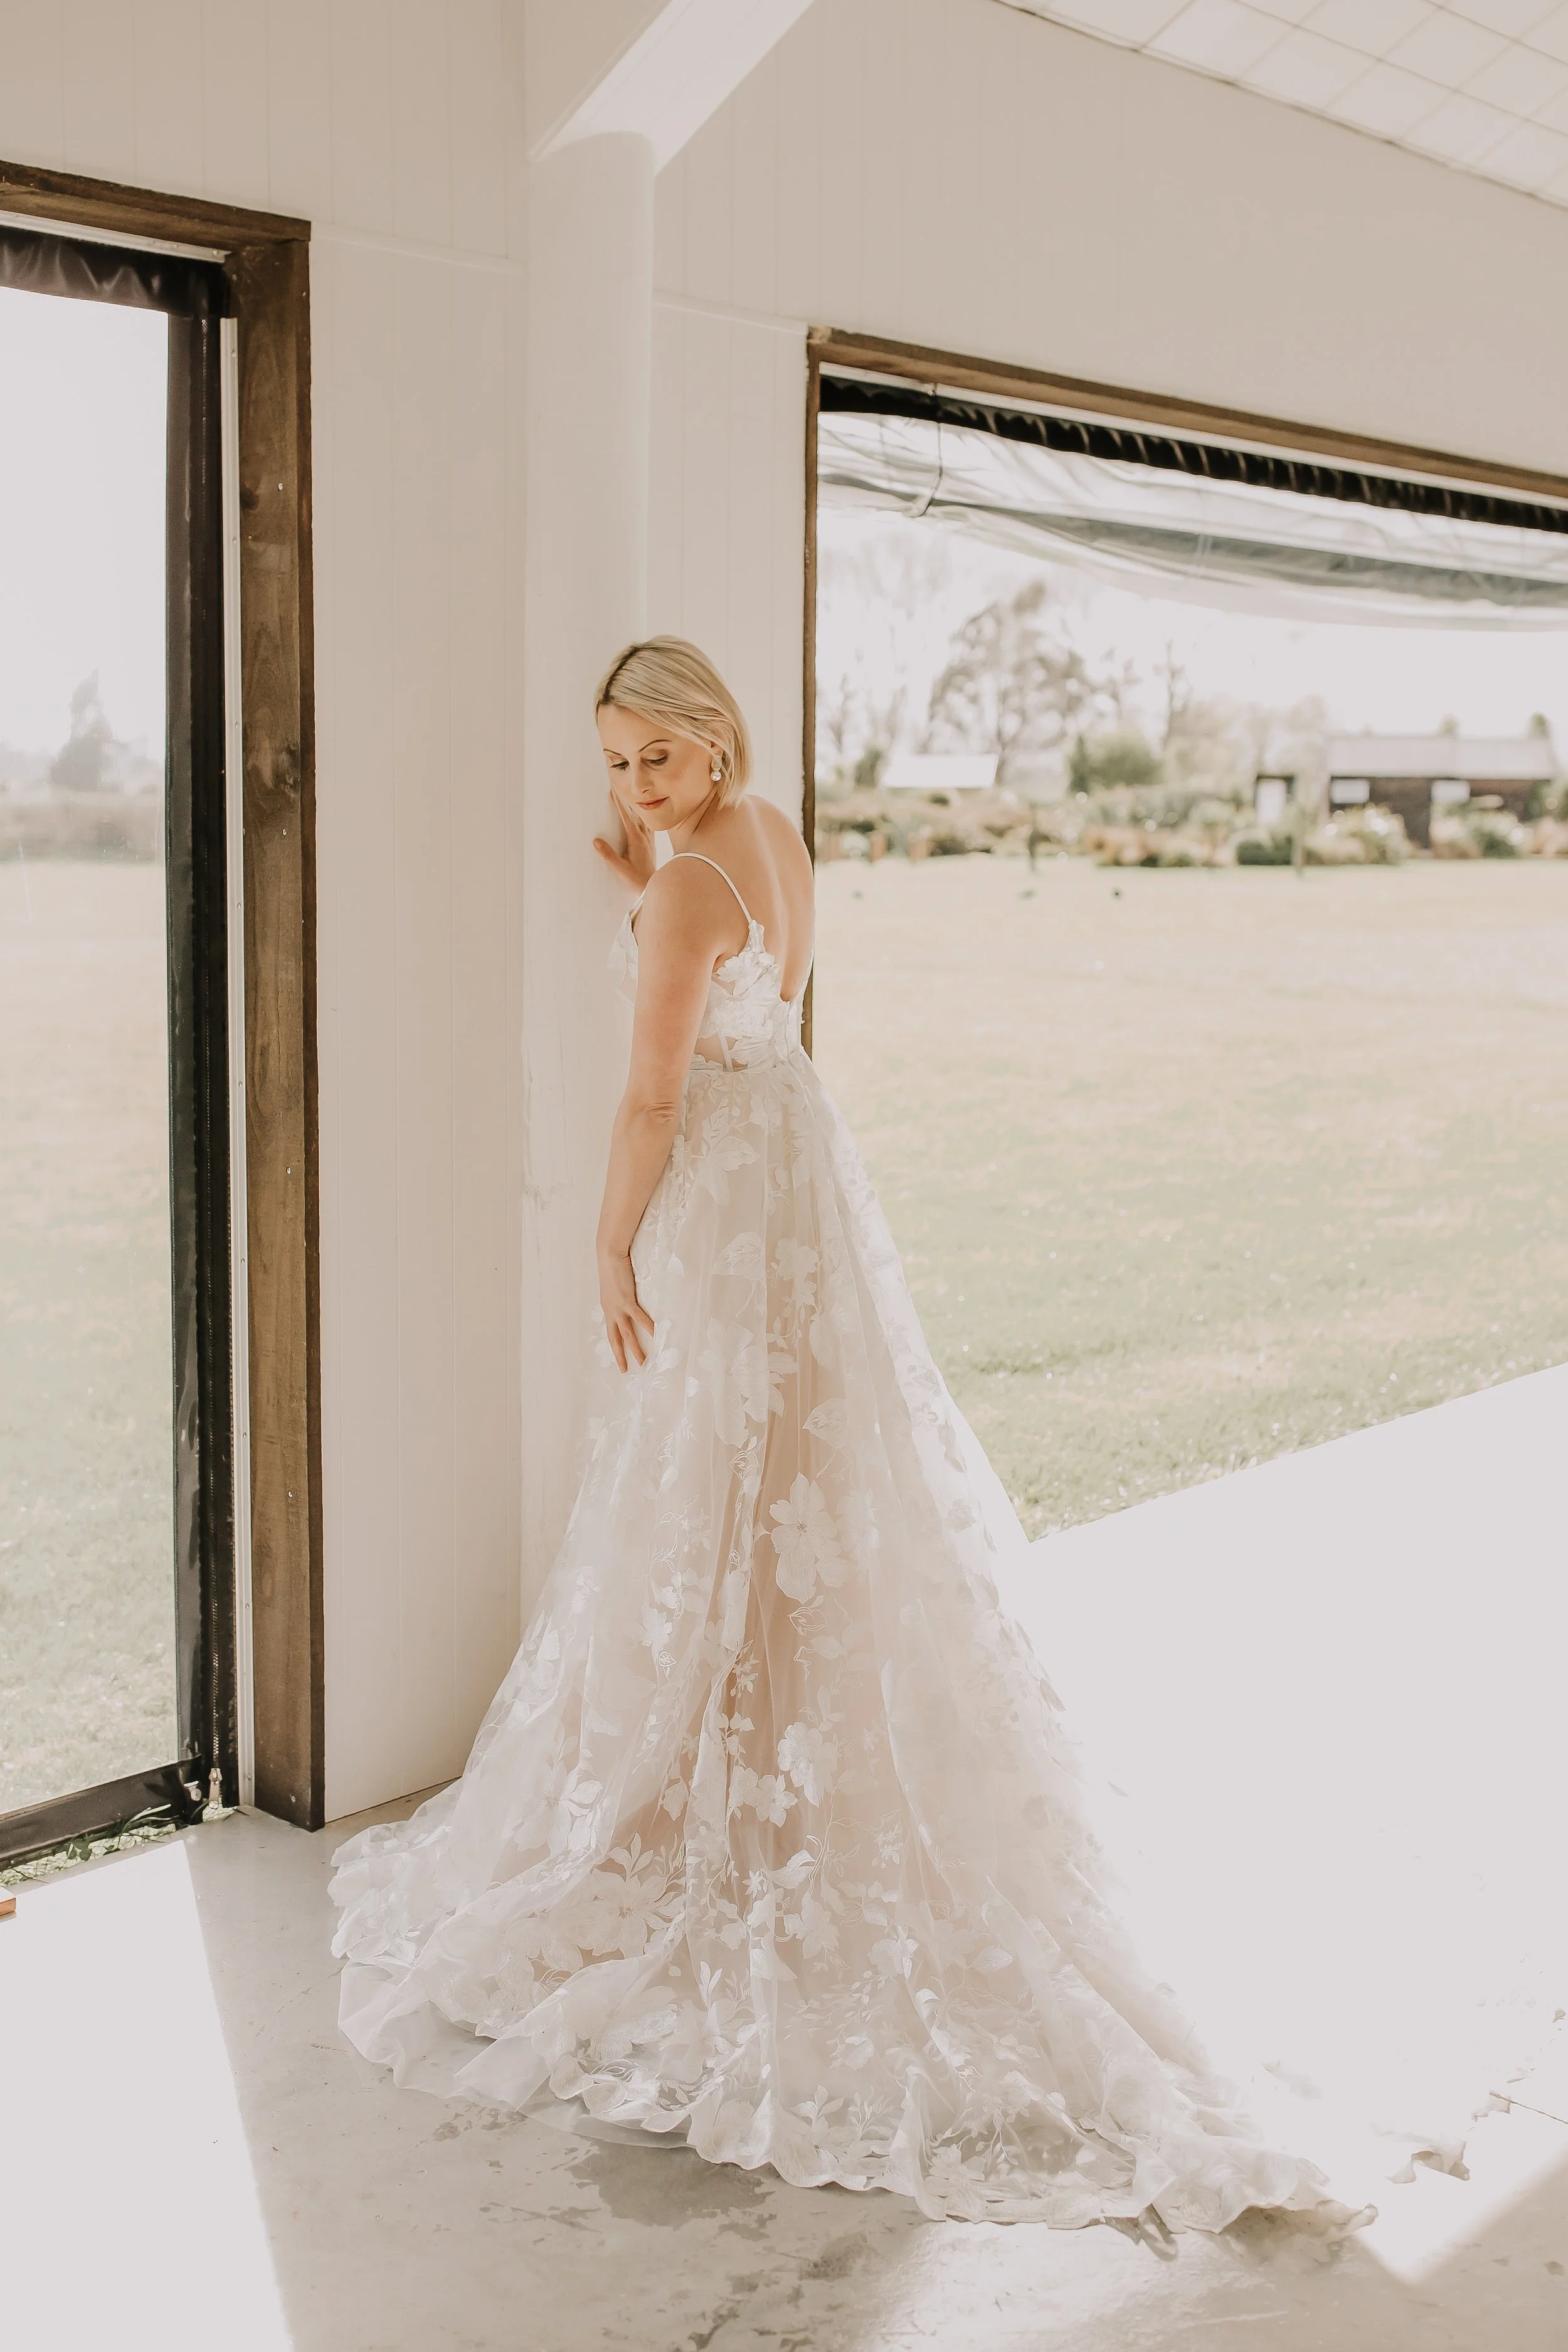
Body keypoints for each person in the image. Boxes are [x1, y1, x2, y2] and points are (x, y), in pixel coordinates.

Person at [331, 638, 1348, 2230]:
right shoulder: (769, 838)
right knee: (796, 1479)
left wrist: (607, 1242)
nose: (631, 787)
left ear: (709, 737)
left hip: (726, 1194)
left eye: (653, 759)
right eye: (611, 762)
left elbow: (652, 1097)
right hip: (801, 1165)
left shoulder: (683, 888)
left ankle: (709, 1798)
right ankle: (764, 1768)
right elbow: (742, 968)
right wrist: (650, 862)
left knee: (710, 1490)